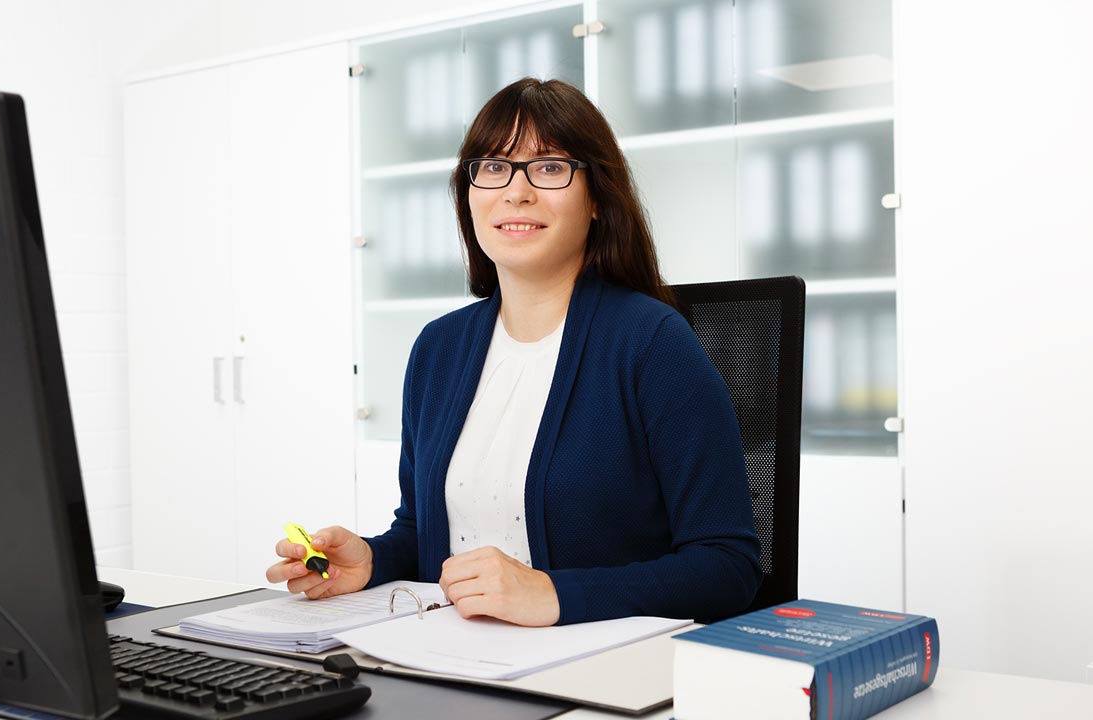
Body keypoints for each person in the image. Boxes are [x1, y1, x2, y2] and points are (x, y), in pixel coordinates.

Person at [266, 78, 761, 626]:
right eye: (494, 166)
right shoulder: (439, 349)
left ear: (597, 196)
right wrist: (373, 559)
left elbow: (727, 566)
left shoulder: (651, 343)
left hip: (594, 676)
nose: (516, 192)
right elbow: (427, 530)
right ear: (469, 193)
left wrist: (552, 594)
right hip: (454, 655)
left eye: (549, 167)